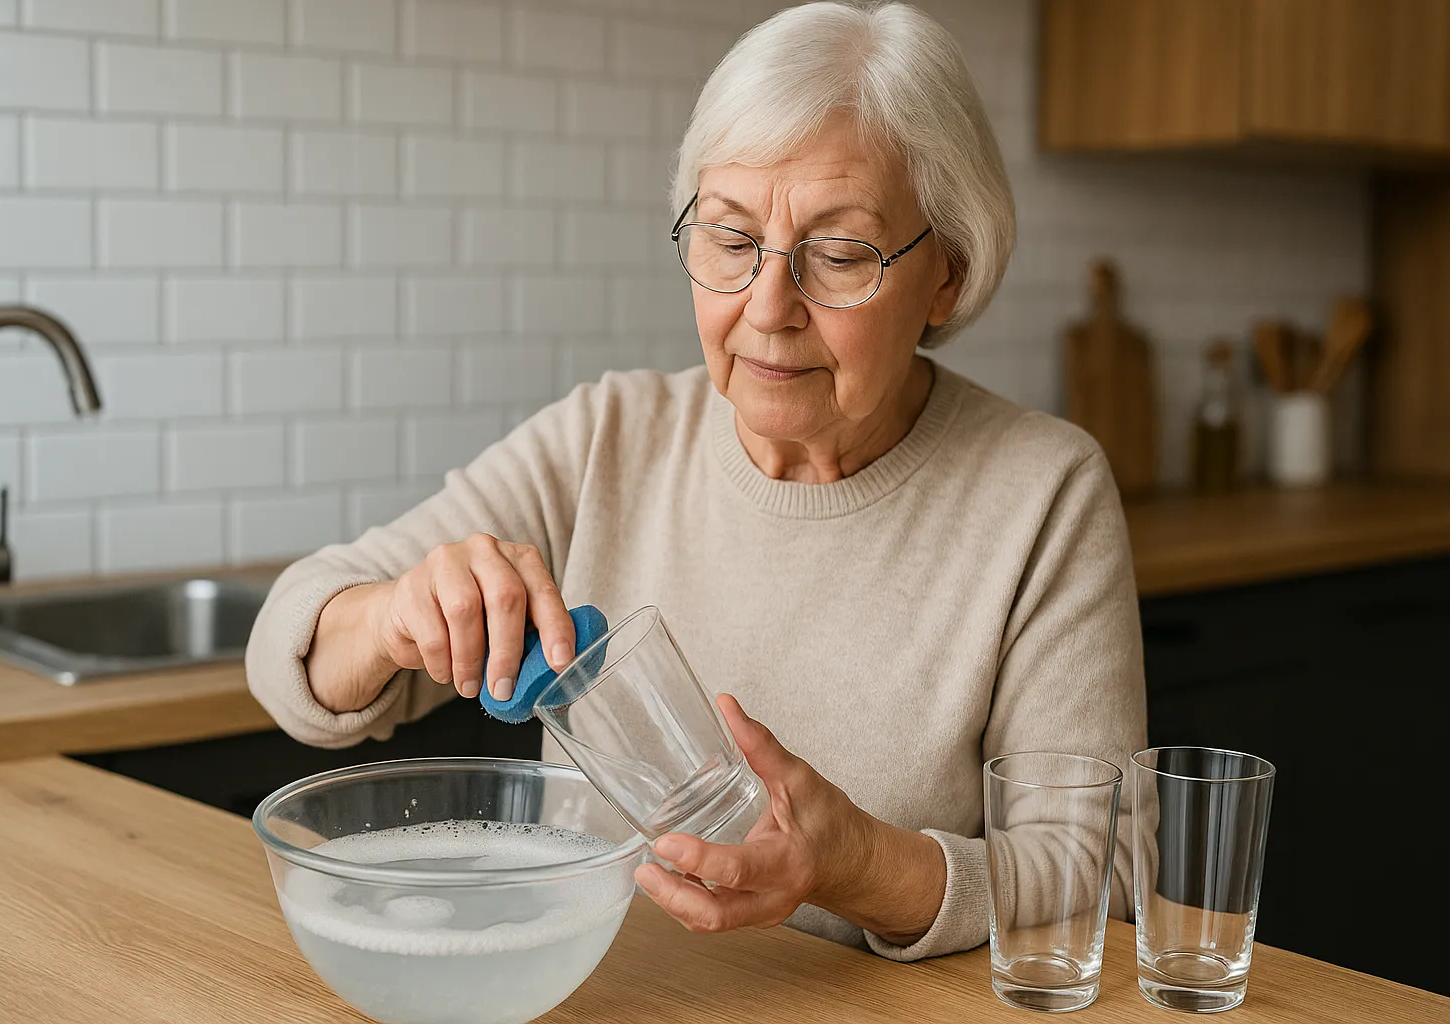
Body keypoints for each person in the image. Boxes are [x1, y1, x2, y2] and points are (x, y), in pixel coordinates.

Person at [246, 0, 1145, 961]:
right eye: (728, 239)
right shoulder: (609, 437)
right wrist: (393, 615)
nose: (766, 307)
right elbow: (291, 652)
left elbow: (1107, 873)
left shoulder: (1043, 493)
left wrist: (858, 865)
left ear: (948, 275)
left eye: (838, 255)